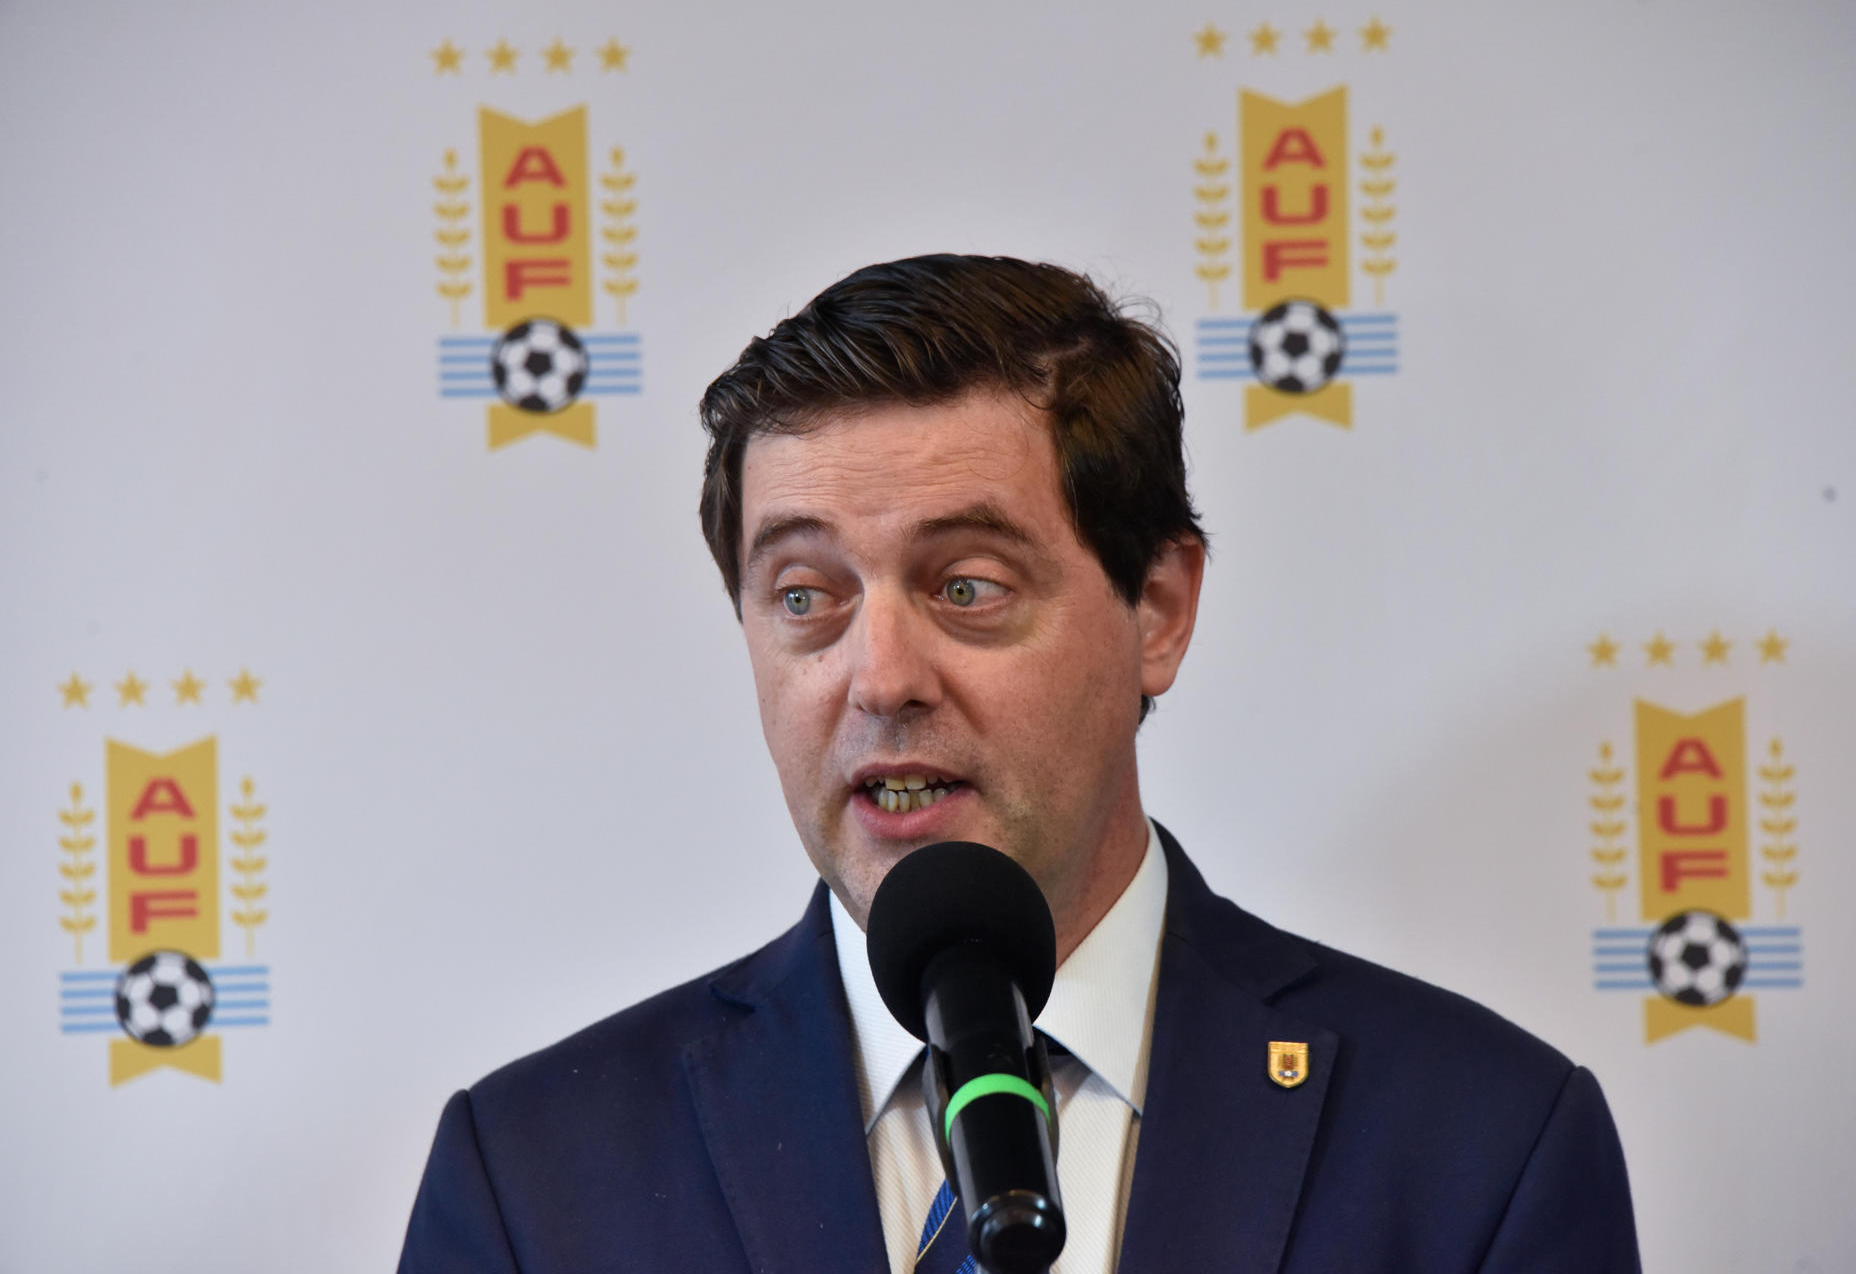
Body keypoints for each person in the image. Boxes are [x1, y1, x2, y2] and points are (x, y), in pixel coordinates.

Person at [398, 255, 1639, 1273]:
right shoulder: (533, 1181)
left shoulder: (1482, 1147)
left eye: (968, 586)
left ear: (1156, 608)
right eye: (806, 595)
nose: (881, 676)